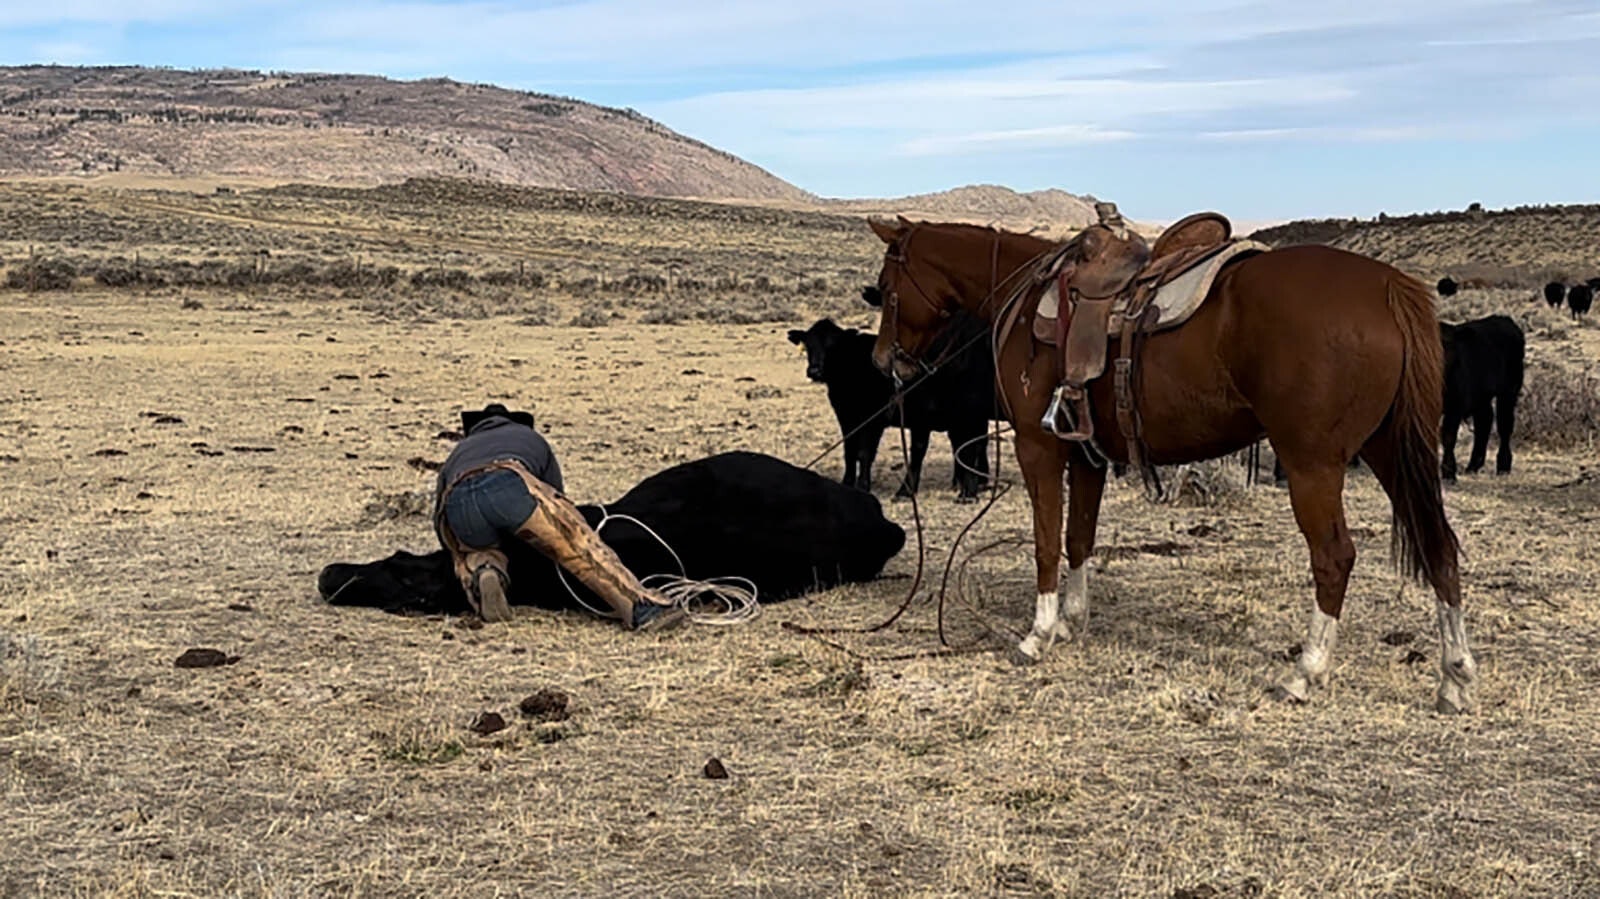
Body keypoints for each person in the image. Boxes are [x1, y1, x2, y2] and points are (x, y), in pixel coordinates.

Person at [432, 402, 684, 630]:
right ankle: (642, 608)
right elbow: (555, 498)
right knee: (577, 548)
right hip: (509, 481)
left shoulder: (459, 451)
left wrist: (458, 551)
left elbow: (440, 519)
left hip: (457, 499)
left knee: (477, 550)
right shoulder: (529, 437)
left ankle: (486, 571)